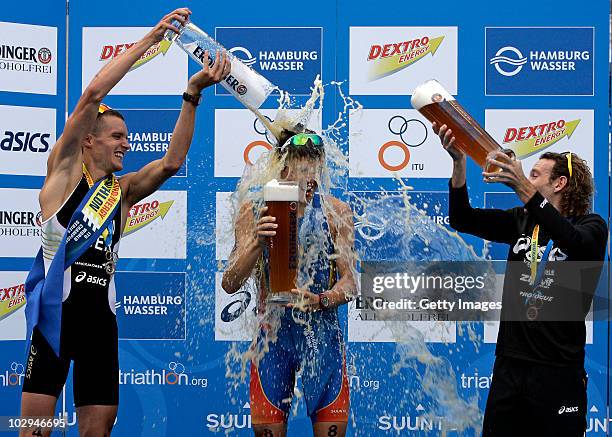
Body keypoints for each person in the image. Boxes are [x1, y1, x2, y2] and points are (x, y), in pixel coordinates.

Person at [20, 8, 231, 437]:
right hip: (52, 322)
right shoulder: (61, 174)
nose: (126, 143)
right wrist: (152, 40)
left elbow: (172, 163)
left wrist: (192, 93)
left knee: (98, 432)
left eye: (127, 137)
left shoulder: (122, 190)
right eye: (117, 136)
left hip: (99, 323)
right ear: (89, 141)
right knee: (33, 432)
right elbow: (94, 92)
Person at [433, 122, 608, 436]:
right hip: (510, 366)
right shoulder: (522, 220)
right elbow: (462, 217)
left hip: (557, 371)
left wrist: (521, 188)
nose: (527, 178)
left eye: (535, 174)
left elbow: (571, 240)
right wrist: (458, 163)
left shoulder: (592, 226)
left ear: (560, 183)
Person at [222, 130, 357, 437]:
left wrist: (322, 299)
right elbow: (230, 283)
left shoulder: (337, 212)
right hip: (273, 340)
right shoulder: (255, 210)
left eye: (315, 169)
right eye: (302, 169)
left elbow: (350, 282)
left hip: (322, 340)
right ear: (282, 170)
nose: (311, 178)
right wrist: (257, 243)